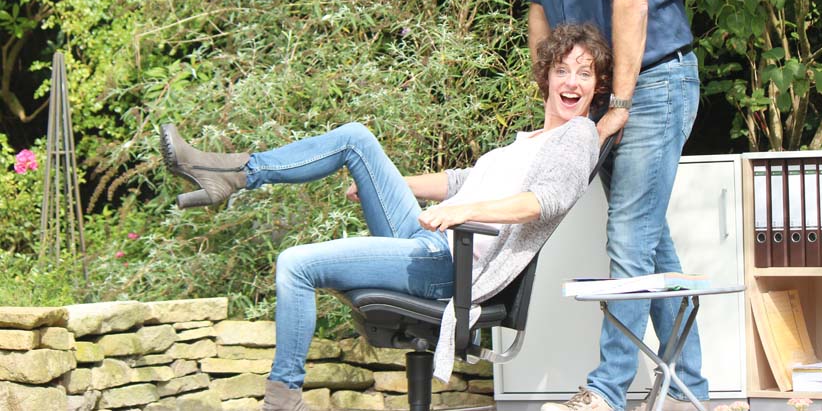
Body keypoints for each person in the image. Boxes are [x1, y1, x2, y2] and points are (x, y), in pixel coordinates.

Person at [158, 23, 611, 411]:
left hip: (451, 265)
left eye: (584, 73)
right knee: (356, 140)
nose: (572, 82)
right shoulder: (527, 141)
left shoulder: (577, 136)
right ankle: (234, 174)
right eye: (562, 70)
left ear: (596, 86)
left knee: (295, 265)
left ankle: (283, 399)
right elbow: (459, 181)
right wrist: (385, 182)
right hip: (430, 240)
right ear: (546, 77)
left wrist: (464, 211)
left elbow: (542, 201)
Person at [501, 0, 704, 411]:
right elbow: (539, 10)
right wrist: (554, 103)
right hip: (602, 97)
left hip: (653, 84)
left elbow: (631, 2)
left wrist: (619, 103)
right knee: (651, 247)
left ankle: (606, 392)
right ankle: (689, 390)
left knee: (629, 239)